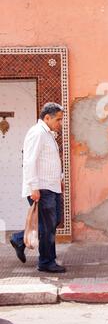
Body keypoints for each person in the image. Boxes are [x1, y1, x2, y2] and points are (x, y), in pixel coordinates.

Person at [10, 102, 66, 273]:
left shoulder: (48, 134)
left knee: (53, 221)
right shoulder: (37, 133)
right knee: (47, 225)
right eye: (58, 119)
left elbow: (49, 161)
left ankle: (20, 239)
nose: (60, 123)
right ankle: (46, 262)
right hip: (41, 188)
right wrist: (34, 187)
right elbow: (29, 161)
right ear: (47, 117)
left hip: (51, 186)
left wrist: (60, 179)